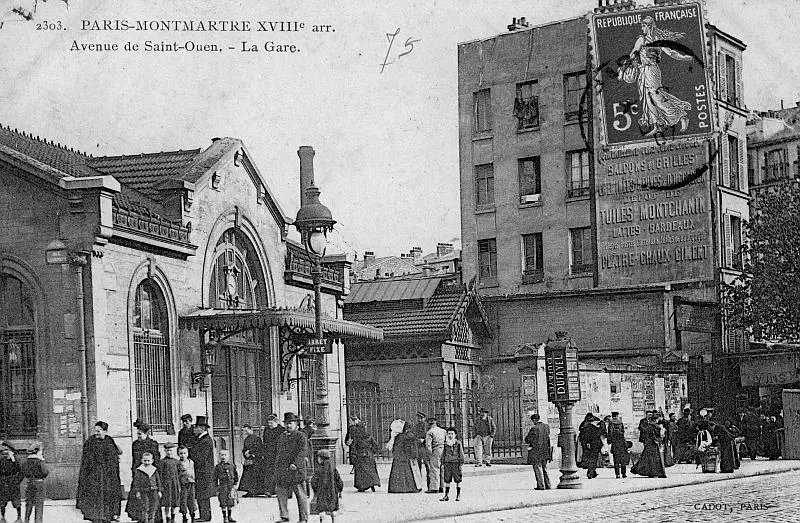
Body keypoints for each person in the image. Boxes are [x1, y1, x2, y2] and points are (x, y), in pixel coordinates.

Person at [617, 15, 693, 137]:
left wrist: (685, 58)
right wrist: (625, 67)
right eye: (642, 26)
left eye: (644, 26)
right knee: (648, 99)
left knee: (656, 96)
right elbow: (632, 54)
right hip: (643, 71)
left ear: (650, 26)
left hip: (652, 71)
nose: (642, 29)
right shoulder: (641, 40)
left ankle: (681, 115)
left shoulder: (657, 39)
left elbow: (671, 52)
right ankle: (657, 125)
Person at [76, 421, 123, 523]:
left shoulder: (109, 441)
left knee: (108, 496)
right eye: (95, 430)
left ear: (105, 431)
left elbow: (115, 457)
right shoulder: (90, 442)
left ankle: (109, 516)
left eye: (99, 431)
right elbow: (86, 460)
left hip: (108, 476)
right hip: (94, 476)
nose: (96, 433)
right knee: (95, 497)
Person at [274, 413, 309, 523]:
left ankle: (303, 518)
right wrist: (277, 468)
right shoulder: (282, 437)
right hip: (283, 471)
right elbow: (279, 453)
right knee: (281, 493)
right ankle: (284, 516)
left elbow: (303, 451)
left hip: (296, 471)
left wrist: (296, 464)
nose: (288, 426)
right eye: (286, 424)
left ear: (296, 424)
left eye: (290, 423)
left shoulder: (301, 436)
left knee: (300, 495)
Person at [127, 420, 162, 523]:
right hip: (139, 474)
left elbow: (156, 462)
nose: (138, 436)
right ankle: (141, 518)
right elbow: (134, 460)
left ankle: (153, 519)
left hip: (150, 476)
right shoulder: (135, 444)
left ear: (146, 434)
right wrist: (134, 471)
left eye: (140, 434)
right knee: (138, 497)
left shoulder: (152, 444)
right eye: (137, 433)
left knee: (152, 500)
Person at [189, 416, 214, 522]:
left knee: (204, 494)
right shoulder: (201, 439)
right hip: (201, 471)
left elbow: (200, 458)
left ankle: (205, 516)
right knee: (201, 494)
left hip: (204, 471)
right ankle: (204, 515)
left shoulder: (206, 441)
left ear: (202, 428)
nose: (194, 429)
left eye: (196, 427)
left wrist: (190, 452)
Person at [387, 419, 421, 493]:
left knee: (397, 472)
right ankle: (408, 487)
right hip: (406, 456)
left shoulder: (398, 436)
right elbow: (412, 447)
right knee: (408, 472)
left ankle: (396, 488)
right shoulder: (411, 436)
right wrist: (414, 455)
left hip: (398, 456)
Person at [345, 422, 380, 492]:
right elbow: (376, 445)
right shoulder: (369, 435)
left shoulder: (356, 437)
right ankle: (373, 483)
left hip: (360, 455)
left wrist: (353, 456)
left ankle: (362, 487)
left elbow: (354, 447)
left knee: (361, 472)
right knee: (371, 470)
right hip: (369, 455)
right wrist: (372, 451)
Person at [309, 450, 343, 523]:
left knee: (322, 510)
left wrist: (316, 490)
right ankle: (333, 520)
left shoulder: (318, 470)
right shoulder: (334, 469)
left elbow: (313, 482)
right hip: (333, 493)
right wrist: (339, 490)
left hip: (321, 494)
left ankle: (322, 520)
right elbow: (339, 482)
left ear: (321, 459)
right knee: (333, 510)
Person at [632, 411, 667, 478]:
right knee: (652, 458)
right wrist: (656, 440)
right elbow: (652, 434)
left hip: (650, 442)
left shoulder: (652, 425)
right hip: (651, 442)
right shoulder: (652, 425)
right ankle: (653, 472)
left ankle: (649, 471)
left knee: (648, 457)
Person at [131, 452, 162, 523]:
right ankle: (145, 520)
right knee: (145, 506)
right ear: (142, 460)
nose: (147, 462)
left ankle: (152, 520)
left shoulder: (154, 469)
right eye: (145, 460)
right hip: (143, 491)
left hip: (154, 490)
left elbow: (158, 480)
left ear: (152, 461)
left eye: (148, 460)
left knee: (153, 506)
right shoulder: (139, 470)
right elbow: (136, 482)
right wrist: (137, 492)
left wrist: (159, 490)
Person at [21, 443, 48, 523]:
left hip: (30, 483)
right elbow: (45, 472)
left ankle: (26, 519)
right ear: (38, 451)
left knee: (29, 503)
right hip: (39, 483)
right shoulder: (40, 461)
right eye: (41, 450)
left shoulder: (27, 461)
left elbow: (24, 472)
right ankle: (38, 521)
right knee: (39, 504)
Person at [524, 413, 551, 490]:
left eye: (533, 421)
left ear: (534, 420)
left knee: (538, 468)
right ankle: (548, 485)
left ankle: (541, 486)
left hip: (536, 452)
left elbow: (527, 439)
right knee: (545, 468)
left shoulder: (534, 428)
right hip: (545, 451)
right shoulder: (546, 426)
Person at [239, 424, 266, 497]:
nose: (245, 432)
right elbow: (244, 449)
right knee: (248, 476)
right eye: (244, 431)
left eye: (246, 430)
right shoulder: (246, 439)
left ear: (251, 429)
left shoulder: (257, 438)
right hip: (249, 460)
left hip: (256, 460)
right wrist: (245, 453)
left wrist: (251, 453)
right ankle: (250, 491)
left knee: (255, 476)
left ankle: (256, 491)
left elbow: (259, 448)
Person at [439, 427, 464, 501]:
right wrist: (442, 462)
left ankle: (458, 495)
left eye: (452, 434)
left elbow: (461, 453)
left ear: (455, 435)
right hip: (447, 463)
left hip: (456, 463)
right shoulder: (446, 444)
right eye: (449, 434)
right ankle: (446, 495)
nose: (450, 435)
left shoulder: (458, 443)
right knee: (447, 479)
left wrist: (461, 463)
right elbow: (443, 453)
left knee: (458, 479)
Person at [213, 450, 238, 523]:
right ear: (219, 456)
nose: (223, 457)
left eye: (225, 455)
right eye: (222, 455)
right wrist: (216, 488)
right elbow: (214, 478)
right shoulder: (218, 467)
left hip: (230, 486)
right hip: (222, 486)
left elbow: (235, 475)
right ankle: (224, 517)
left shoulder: (232, 465)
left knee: (230, 501)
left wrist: (235, 484)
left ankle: (230, 516)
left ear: (228, 456)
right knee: (223, 502)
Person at [262, 414, 284, 497]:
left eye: (271, 423)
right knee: (269, 472)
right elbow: (265, 442)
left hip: (278, 454)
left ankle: (279, 491)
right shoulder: (266, 429)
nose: (269, 425)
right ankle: (269, 490)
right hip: (269, 454)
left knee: (278, 473)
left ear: (276, 422)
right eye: (269, 423)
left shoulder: (281, 430)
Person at [0, 442, 22, 523]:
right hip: (3, 482)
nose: (4, 452)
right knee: (2, 501)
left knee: (16, 500)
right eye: (3, 450)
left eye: (6, 450)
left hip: (13, 482)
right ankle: (3, 517)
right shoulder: (1, 459)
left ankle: (19, 517)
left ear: (11, 450)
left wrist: (17, 481)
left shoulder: (15, 459)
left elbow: (21, 471)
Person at [159, 444, 181, 523]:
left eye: (171, 450)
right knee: (167, 502)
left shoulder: (176, 461)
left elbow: (180, 473)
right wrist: (161, 487)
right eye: (167, 450)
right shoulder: (162, 462)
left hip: (175, 484)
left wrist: (179, 485)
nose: (169, 452)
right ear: (165, 451)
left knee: (174, 502)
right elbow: (160, 475)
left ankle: (173, 517)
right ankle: (167, 517)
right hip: (166, 485)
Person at [425, 418, 446, 494]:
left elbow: (428, 445)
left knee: (434, 469)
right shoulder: (443, 431)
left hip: (435, 450)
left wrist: (429, 455)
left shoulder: (430, 432)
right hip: (443, 449)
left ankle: (434, 487)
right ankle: (442, 486)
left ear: (430, 424)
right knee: (442, 469)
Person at [578, 414, 603, 479]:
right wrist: (602, 424)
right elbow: (600, 432)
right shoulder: (592, 427)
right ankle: (590, 472)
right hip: (594, 445)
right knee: (593, 459)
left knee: (590, 458)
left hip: (587, 445)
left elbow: (582, 436)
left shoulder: (583, 426)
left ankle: (593, 472)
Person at [177, 446, 197, 523]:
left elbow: (193, 472)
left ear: (187, 453)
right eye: (181, 453)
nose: (183, 455)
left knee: (191, 499)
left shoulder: (191, 462)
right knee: (184, 500)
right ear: (178, 454)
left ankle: (193, 516)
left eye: (184, 453)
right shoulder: (178, 463)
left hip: (191, 483)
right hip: (183, 484)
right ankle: (184, 516)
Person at [606, 412, 629, 479]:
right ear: (617, 416)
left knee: (616, 460)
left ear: (613, 416)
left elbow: (610, 433)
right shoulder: (620, 422)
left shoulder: (611, 423)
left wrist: (609, 441)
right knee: (622, 459)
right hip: (621, 442)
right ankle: (624, 474)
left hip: (615, 443)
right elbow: (623, 432)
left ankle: (617, 474)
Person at [412, 412, 430, 490]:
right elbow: (413, 435)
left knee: (428, 466)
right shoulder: (415, 426)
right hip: (418, 448)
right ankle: (419, 486)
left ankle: (430, 485)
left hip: (426, 448)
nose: (419, 419)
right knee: (418, 467)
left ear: (424, 418)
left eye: (420, 418)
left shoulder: (427, 426)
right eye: (418, 418)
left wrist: (424, 440)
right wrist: (418, 440)